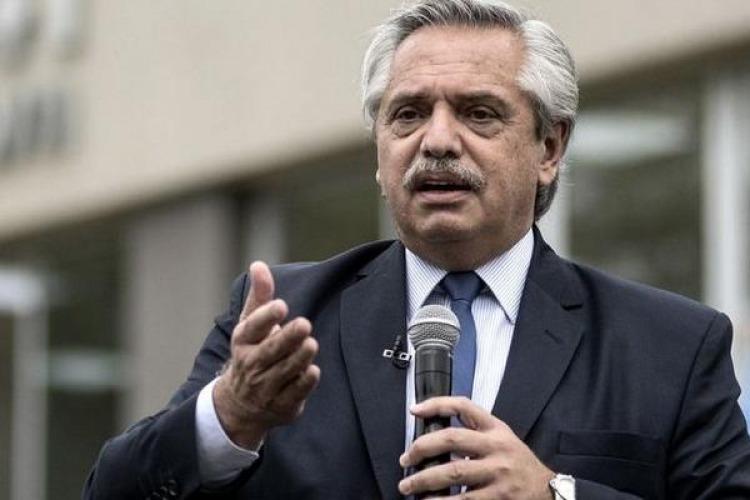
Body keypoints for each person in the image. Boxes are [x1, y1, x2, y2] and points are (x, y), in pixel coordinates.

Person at [83, 1, 750, 498]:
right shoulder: (286, 320)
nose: (437, 141)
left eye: (478, 113)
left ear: (549, 147)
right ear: (379, 152)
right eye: (408, 114)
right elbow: (114, 491)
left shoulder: (669, 346)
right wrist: (230, 416)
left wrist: (556, 495)